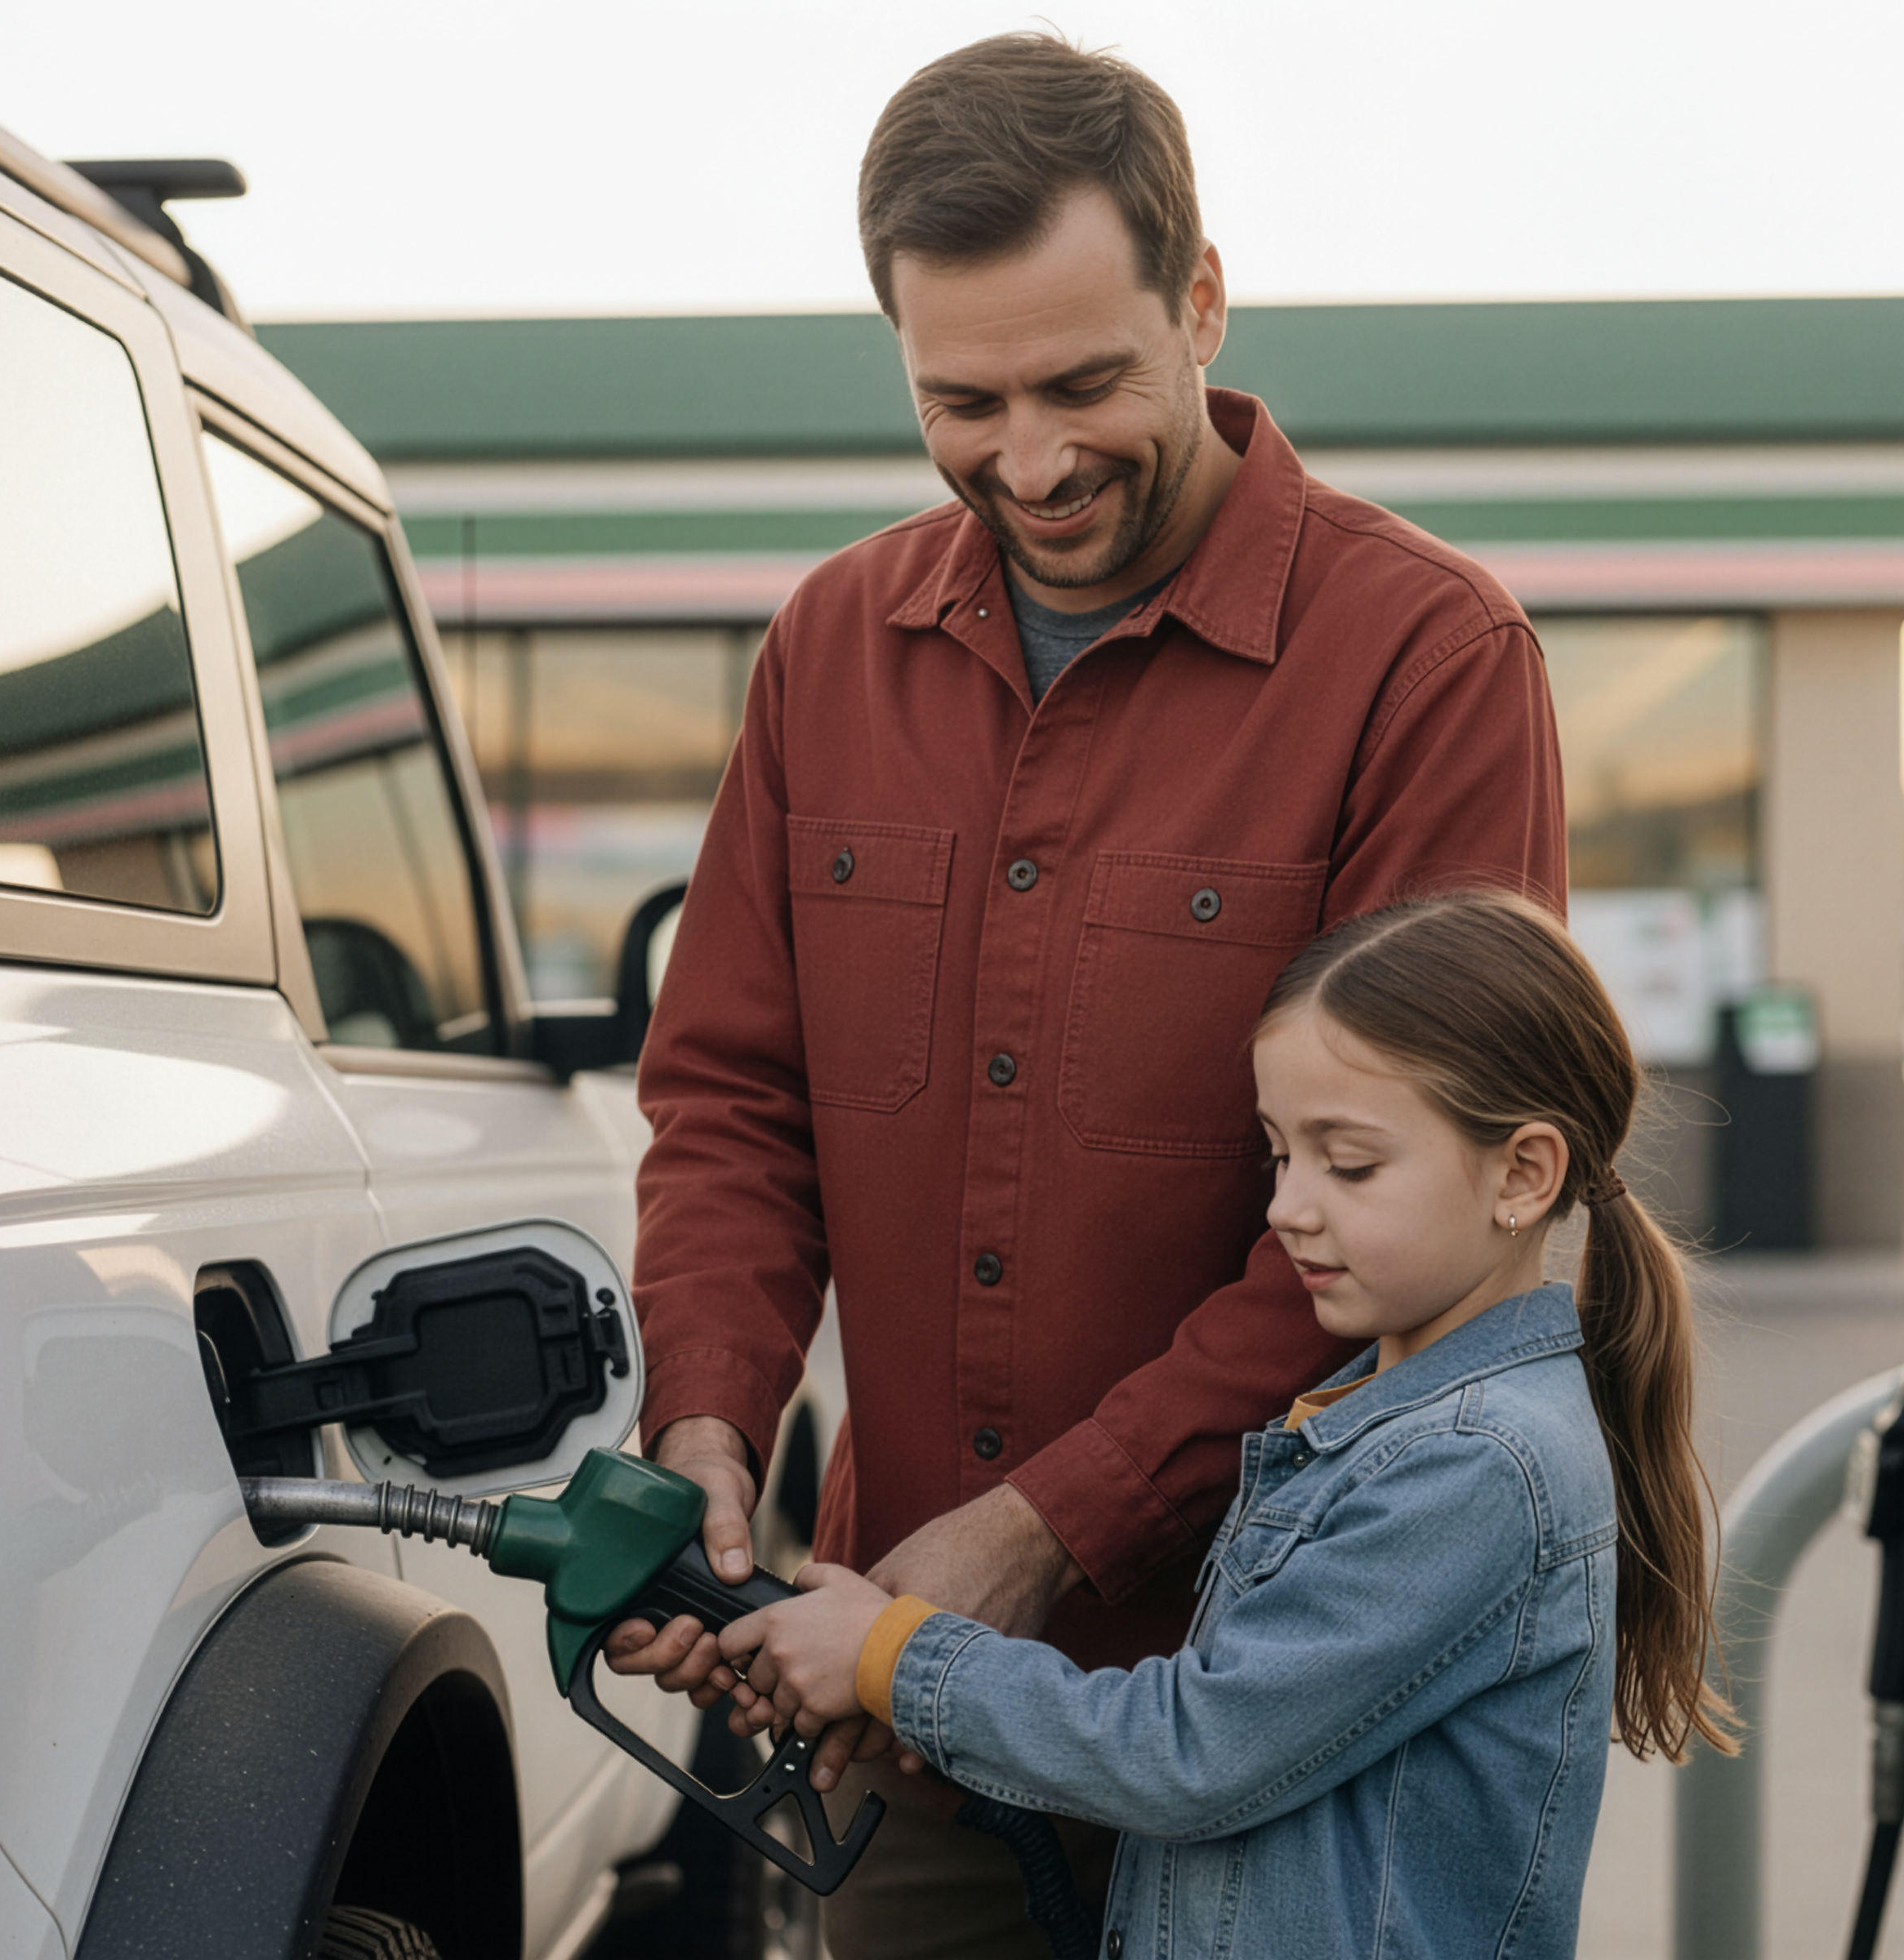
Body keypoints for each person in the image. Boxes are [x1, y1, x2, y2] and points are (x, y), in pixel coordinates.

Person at [610, 32, 1567, 1953]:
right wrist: (706, 1430)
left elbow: (1422, 1200)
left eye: (1084, 384)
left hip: (1300, 1730)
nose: (1028, 462)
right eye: (960, 401)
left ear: (1201, 301)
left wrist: (1048, 1528)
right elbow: (731, 1101)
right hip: (922, 1730)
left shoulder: (1428, 664)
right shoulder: (827, 652)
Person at [716, 889, 1737, 1960]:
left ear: (1522, 1174)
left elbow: (1193, 1753)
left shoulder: (1474, 1463)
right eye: (1279, 1155)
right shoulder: (1377, 1409)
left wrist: (894, 1655)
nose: (1289, 1206)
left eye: (1349, 1165)